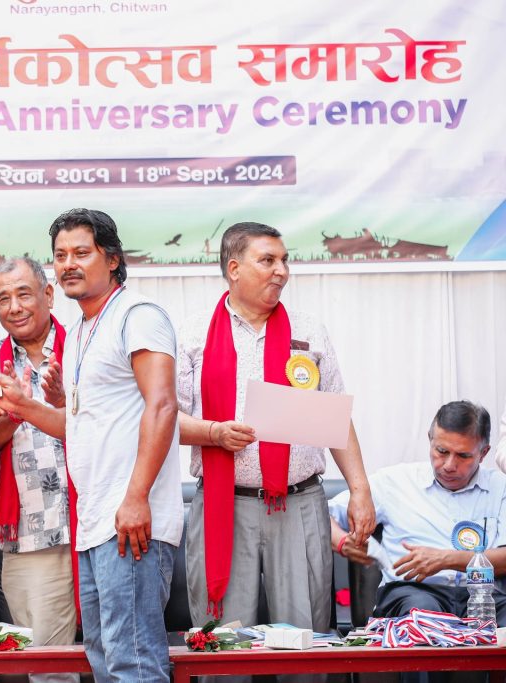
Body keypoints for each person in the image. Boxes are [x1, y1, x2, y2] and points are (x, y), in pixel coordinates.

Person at [0, 209, 183, 682]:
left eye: (81, 253)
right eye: (60, 256)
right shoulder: (77, 332)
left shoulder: (138, 315)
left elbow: (162, 407)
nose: (69, 264)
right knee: (105, 661)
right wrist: (22, 405)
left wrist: (136, 497)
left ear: (112, 259)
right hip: (95, 523)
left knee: (134, 663)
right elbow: (75, 427)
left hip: (131, 522)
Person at [177, 221, 375, 632]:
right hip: (223, 504)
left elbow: (335, 415)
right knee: (224, 637)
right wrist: (214, 433)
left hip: (298, 503)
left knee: (306, 635)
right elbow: (166, 421)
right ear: (234, 268)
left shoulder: (308, 330)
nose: (281, 271)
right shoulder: (192, 333)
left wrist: (360, 490)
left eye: (284, 261)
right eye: (267, 261)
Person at [0, 257, 77, 683]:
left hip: (94, 526)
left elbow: (109, 425)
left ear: (48, 295)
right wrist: (16, 412)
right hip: (30, 533)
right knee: (43, 664)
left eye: (23, 294)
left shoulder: (84, 347)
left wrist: (55, 404)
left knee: (110, 654)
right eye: (3, 299)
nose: (13, 307)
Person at [331, 401, 506, 622]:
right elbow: (322, 517)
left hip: (484, 596)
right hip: (412, 591)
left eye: (463, 456)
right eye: (441, 451)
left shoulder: (500, 488)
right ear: (430, 439)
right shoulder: (395, 482)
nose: (449, 465)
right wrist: (342, 542)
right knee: (423, 615)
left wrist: (446, 559)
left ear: (483, 453)